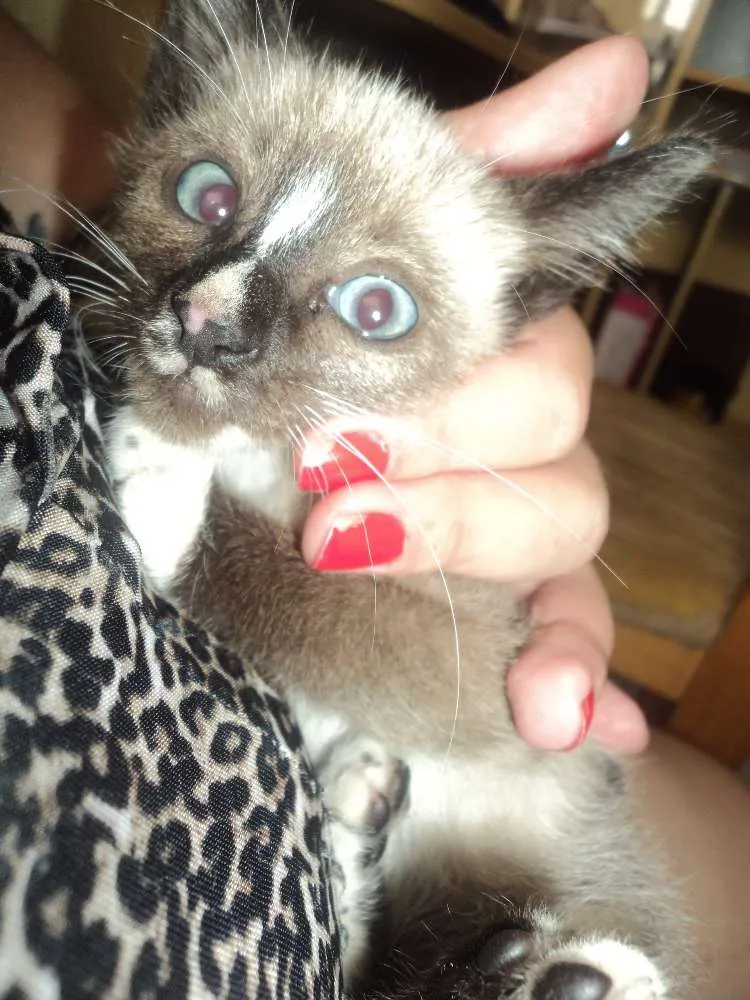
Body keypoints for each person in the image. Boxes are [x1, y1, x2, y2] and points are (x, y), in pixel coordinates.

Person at [0, 11, 747, 996]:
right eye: (206, 194)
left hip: (477, 863)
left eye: (375, 306)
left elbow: (459, 712)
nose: (209, 307)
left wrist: (206, 545)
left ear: (516, 304)